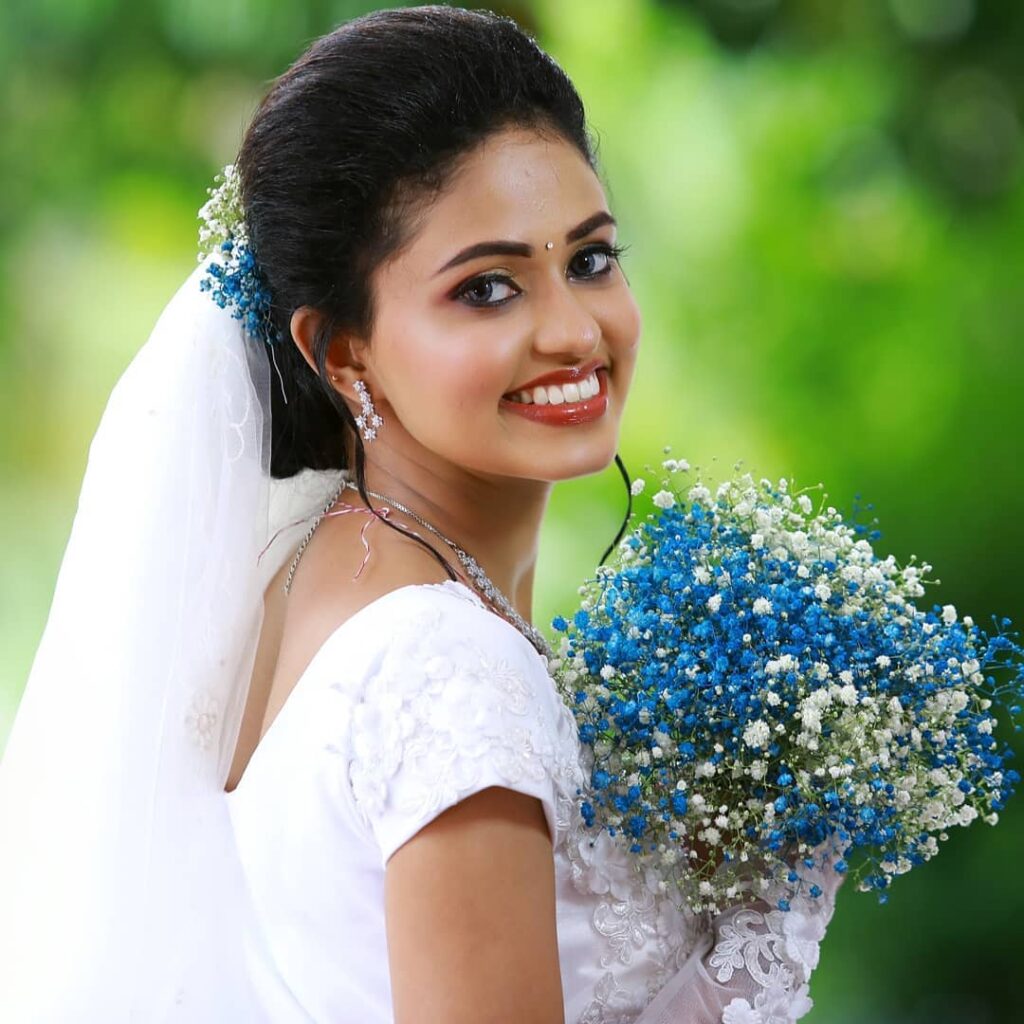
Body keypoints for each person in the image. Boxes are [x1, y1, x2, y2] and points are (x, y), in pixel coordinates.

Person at [0, 7, 843, 1022]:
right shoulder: (452, 673)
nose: (575, 331)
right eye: (486, 289)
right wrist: (756, 934)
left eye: (589, 259)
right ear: (343, 353)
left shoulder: (304, 548)